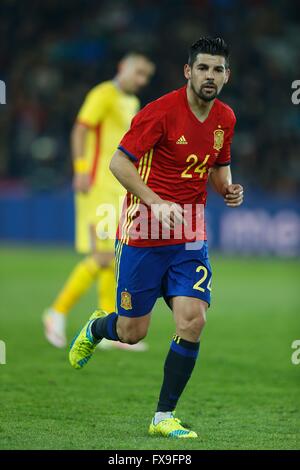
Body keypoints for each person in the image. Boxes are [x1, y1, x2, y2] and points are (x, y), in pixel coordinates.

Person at [69, 37, 244, 438]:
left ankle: (163, 416)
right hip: (142, 232)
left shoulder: (226, 118)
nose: (210, 76)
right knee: (133, 333)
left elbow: (219, 168)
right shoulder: (159, 112)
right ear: (188, 71)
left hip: (189, 233)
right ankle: (98, 328)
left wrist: (228, 188)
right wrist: (154, 201)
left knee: (193, 320)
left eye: (217, 70)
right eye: (202, 68)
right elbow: (118, 162)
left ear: (227, 75)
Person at [43, 52, 155, 351]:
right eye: (138, 72)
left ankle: (111, 328)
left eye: (146, 76)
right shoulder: (104, 93)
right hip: (97, 187)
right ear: (122, 67)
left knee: (112, 260)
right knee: (104, 257)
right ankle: (57, 312)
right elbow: (80, 128)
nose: (141, 80)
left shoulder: (132, 103)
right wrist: (80, 169)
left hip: (119, 190)